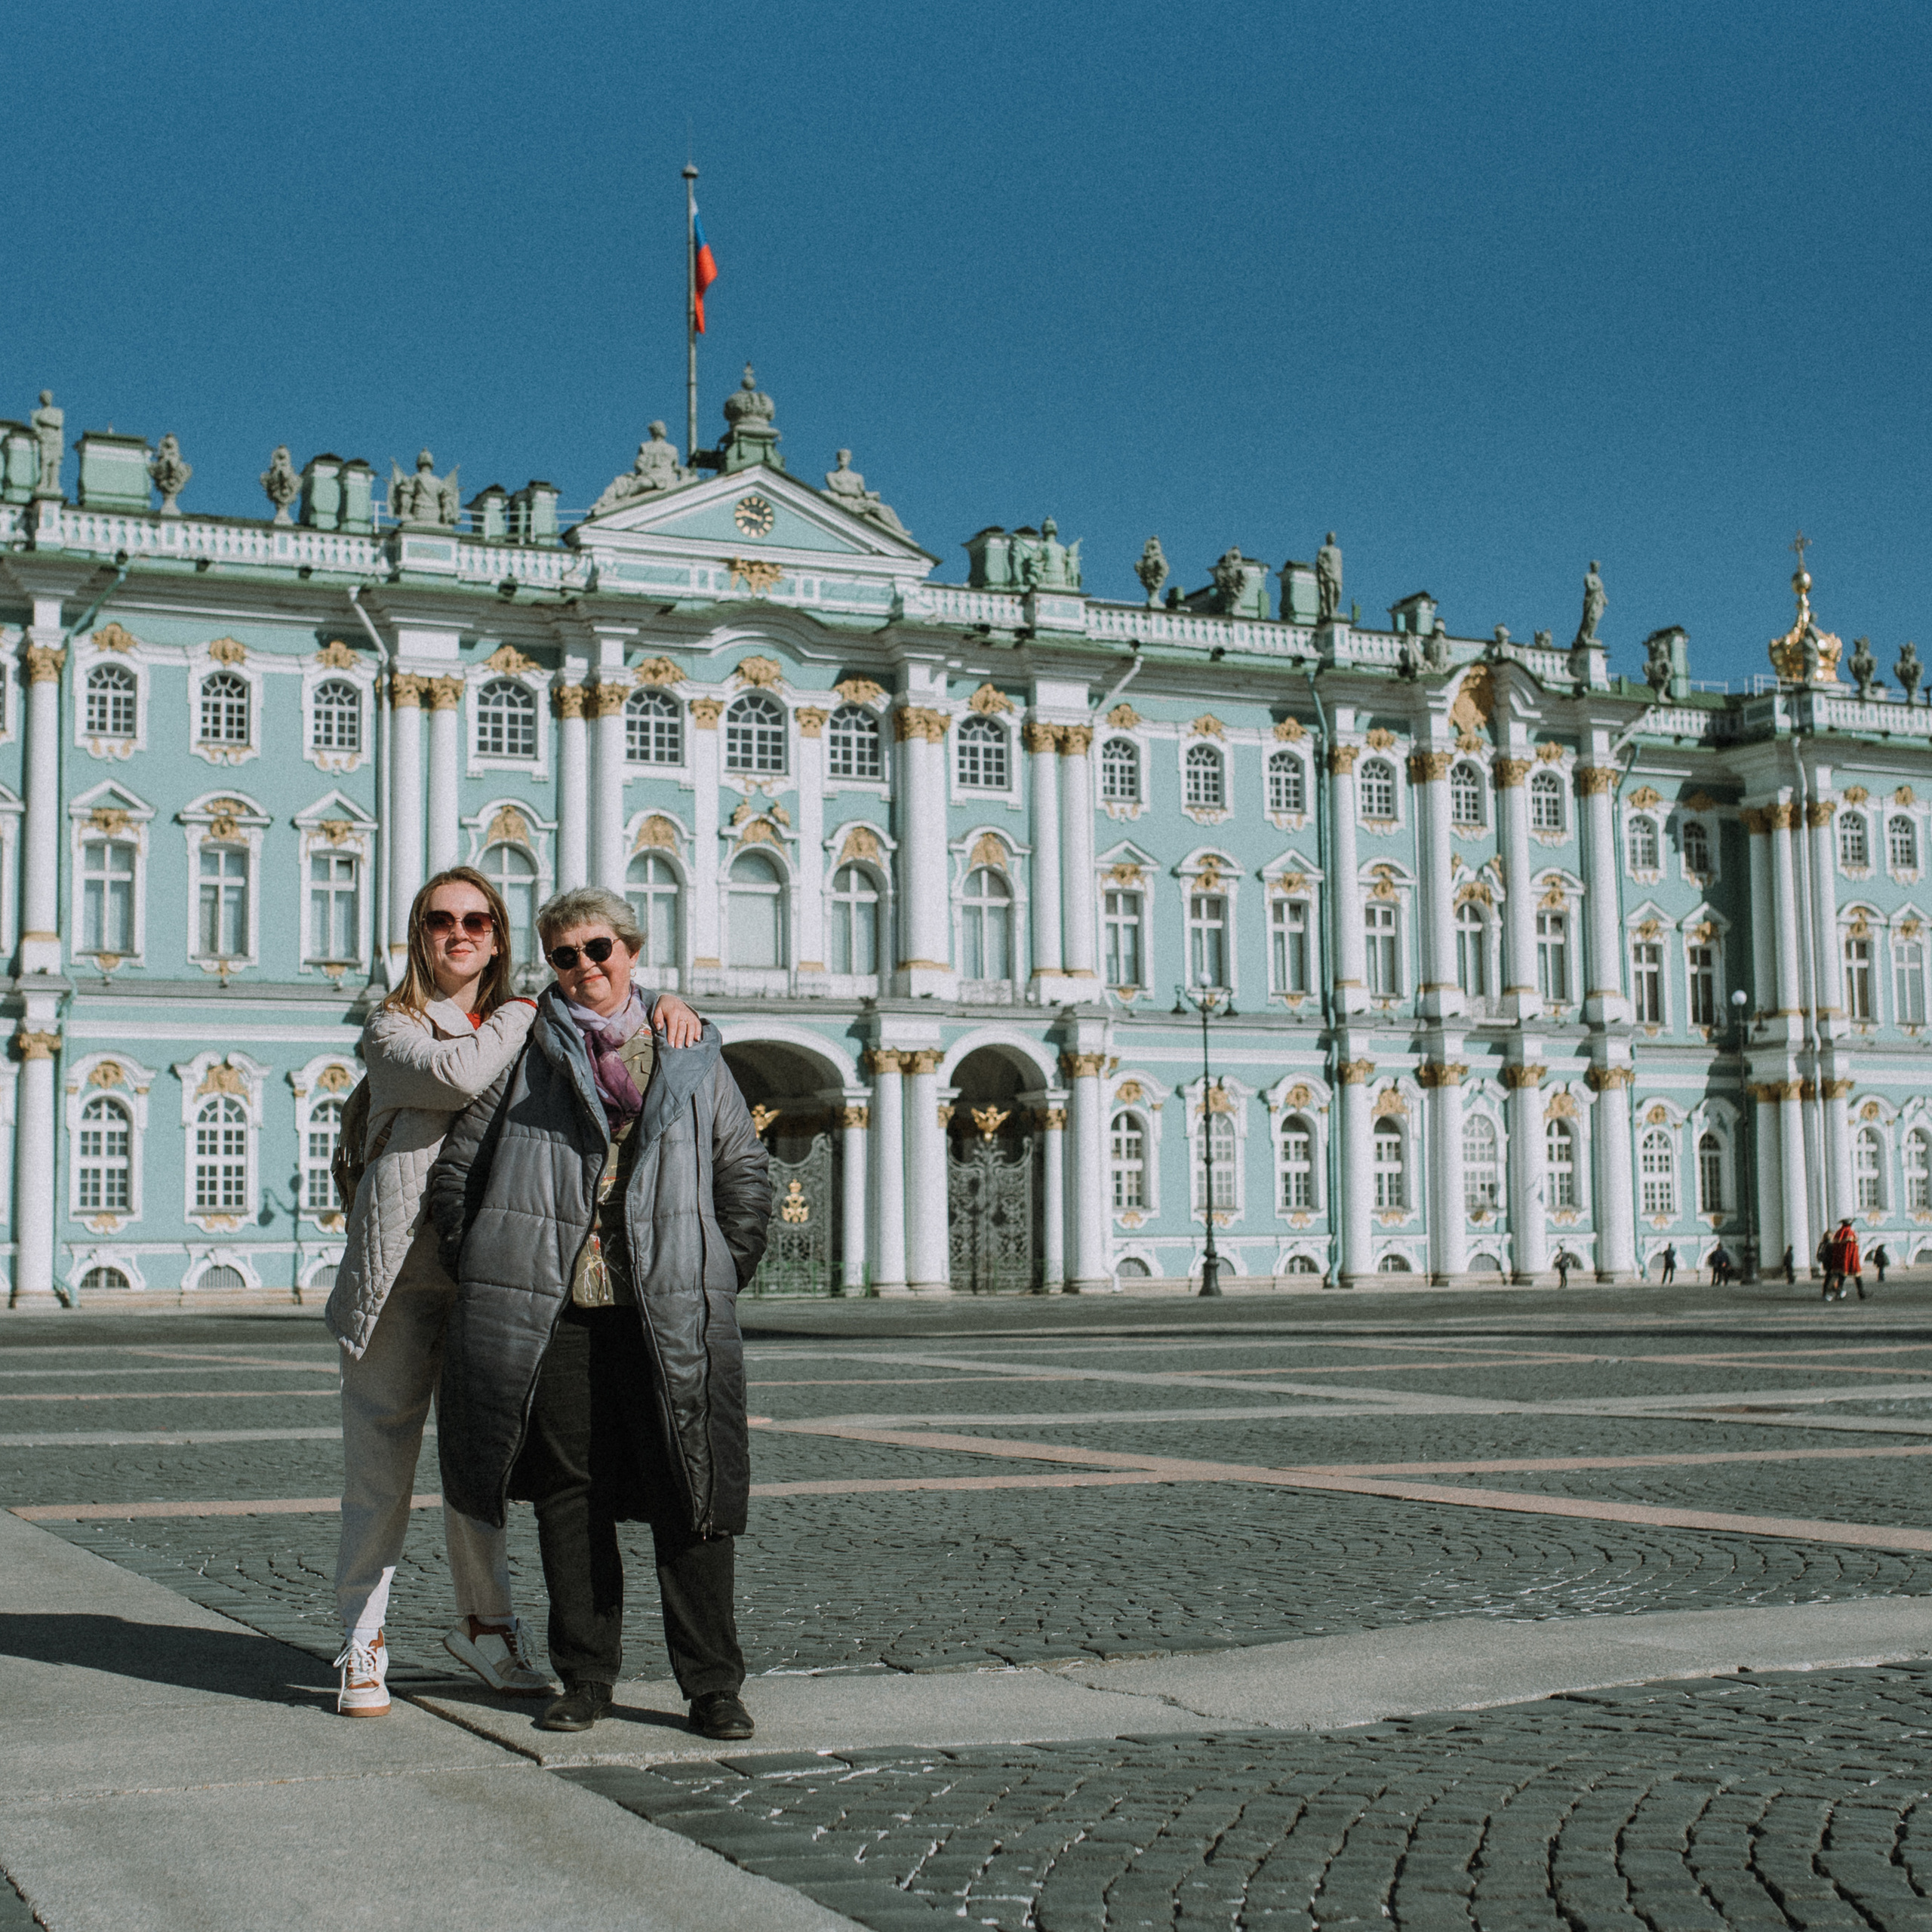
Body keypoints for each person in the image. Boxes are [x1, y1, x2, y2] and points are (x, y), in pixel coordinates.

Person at [324, 866, 702, 1717]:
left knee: (478, 1469)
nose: (458, 933)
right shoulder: (393, 1025)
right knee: (379, 1472)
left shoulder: (527, 1021)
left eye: (477, 920)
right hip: (397, 1278)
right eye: (439, 920)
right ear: (419, 935)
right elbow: (460, 1075)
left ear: (496, 937)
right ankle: (361, 1637)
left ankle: (485, 1629)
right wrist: (527, 1008)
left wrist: (668, 998)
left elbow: (603, 1016)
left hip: (497, 1278)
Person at [430, 887, 771, 1740]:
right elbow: (458, 1174)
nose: (584, 968)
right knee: (567, 1493)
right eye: (564, 955)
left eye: (598, 949)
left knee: (686, 1485)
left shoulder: (688, 1048)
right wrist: (482, 1263)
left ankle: (712, 1685)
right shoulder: (519, 1047)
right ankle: (585, 1675)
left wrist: (720, 1267)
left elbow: (744, 1171)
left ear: (629, 949)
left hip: (672, 1303)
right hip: (557, 1307)